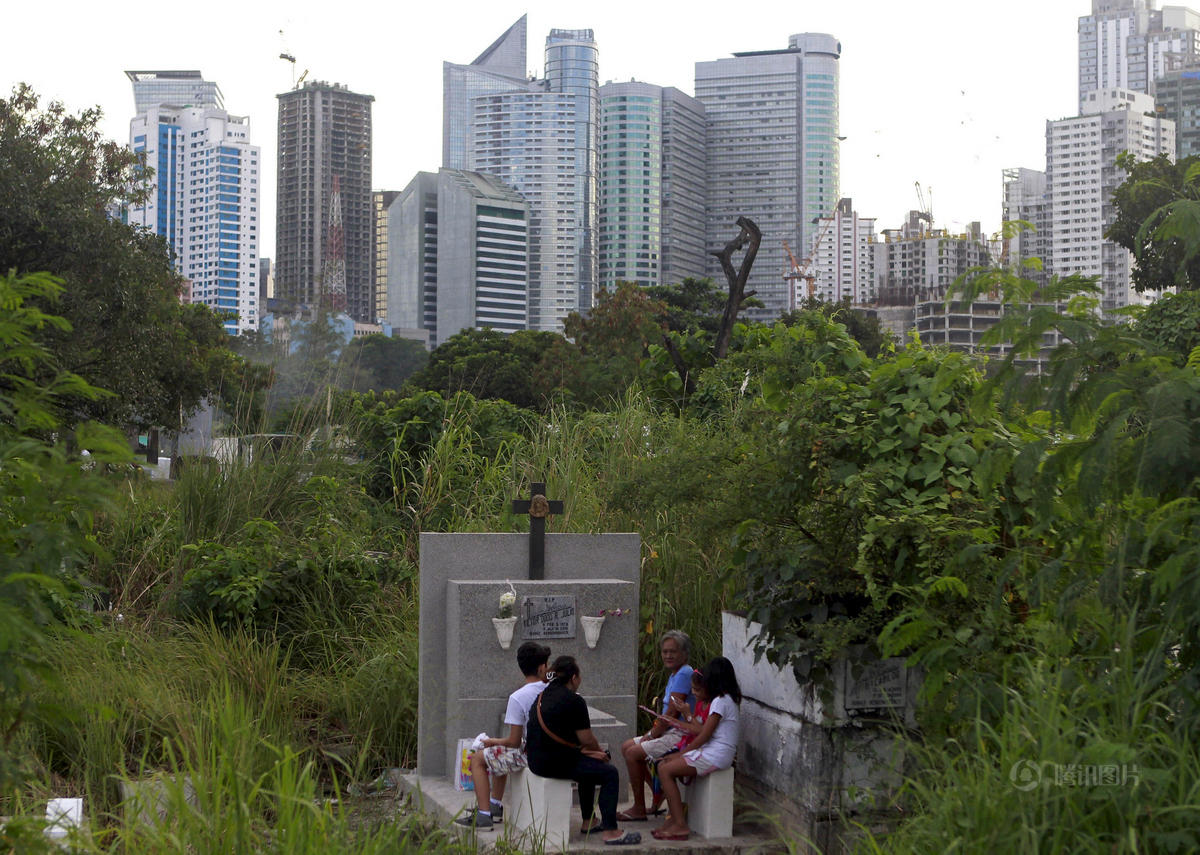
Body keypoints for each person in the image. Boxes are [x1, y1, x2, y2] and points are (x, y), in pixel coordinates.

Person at [524, 655, 642, 846]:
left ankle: (589, 821)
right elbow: (587, 740)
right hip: (555, 764)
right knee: (609, 774)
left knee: (589, 766)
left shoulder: (541, 697)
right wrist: (599, 752)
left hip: (537, 761)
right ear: (573, 678)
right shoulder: (574, 701)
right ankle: (611, 831)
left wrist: (590, 754)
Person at [454, 641, 551, 830]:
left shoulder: (518, 697)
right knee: (498, 752)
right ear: (542, 668)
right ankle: (494, 805)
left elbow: (514, 742)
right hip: (554, 750)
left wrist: (490, 742)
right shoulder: (553, 689)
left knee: (478, 759)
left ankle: (483, 815)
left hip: (533, 754)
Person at [650, 656, 742, 841]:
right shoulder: (727, 700)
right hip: (713, 751)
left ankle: (679, 824)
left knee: (666, 769)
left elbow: (704, 735)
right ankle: (675, 818)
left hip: (717, 754)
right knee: (663, 765)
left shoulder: (720, 702)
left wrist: (681, 754)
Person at [617, 629, 694, 821]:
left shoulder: (685, 672)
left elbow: (671, 713)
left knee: (633, 752)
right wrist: (651, 733)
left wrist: (650, 735)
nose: (667, 655)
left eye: (672, 652)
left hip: (680, 733)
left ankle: (639, 808)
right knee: (627, 745)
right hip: (670, 729)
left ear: (684, 654)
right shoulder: (675, 674)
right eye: (665, 651)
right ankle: (657, 793)